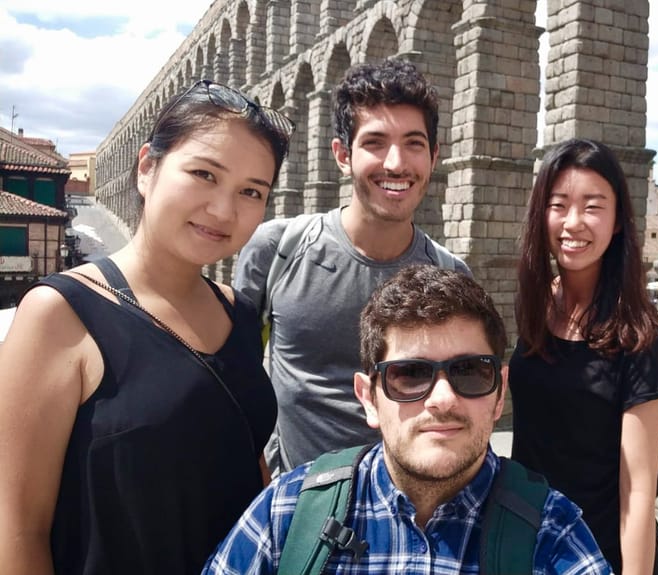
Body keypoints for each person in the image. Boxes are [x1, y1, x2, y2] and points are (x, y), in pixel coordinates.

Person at [0, 80, 291, 574]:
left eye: (251, 191)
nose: (224, 210)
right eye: (203, 174)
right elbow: (16, 529)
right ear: (147, 168)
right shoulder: (59, 312)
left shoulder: (240, 314)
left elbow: (245, 459)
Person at [204, 265, 610, 574]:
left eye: (470, 371)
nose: (443, 398)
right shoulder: (288, 513)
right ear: (368, 398)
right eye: (410, 375)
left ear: (500, 391)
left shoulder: (552, 533)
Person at [233, 59, 470, 476]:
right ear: (342, 155)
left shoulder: (451, 277)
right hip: (297, 514)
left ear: (434, 157)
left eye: (414, 143)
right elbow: (234, 381)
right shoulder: (277, 250)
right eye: (375, 142)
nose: (396, 163)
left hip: (410, 518)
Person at [510, 139, 658, 575]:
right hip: (525, 541)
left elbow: (638, 488)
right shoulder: (535, 306)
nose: (573, 222)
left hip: (595, 554)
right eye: (559, 204)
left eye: (592, 206)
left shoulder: (640, 334)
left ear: (619, 219)